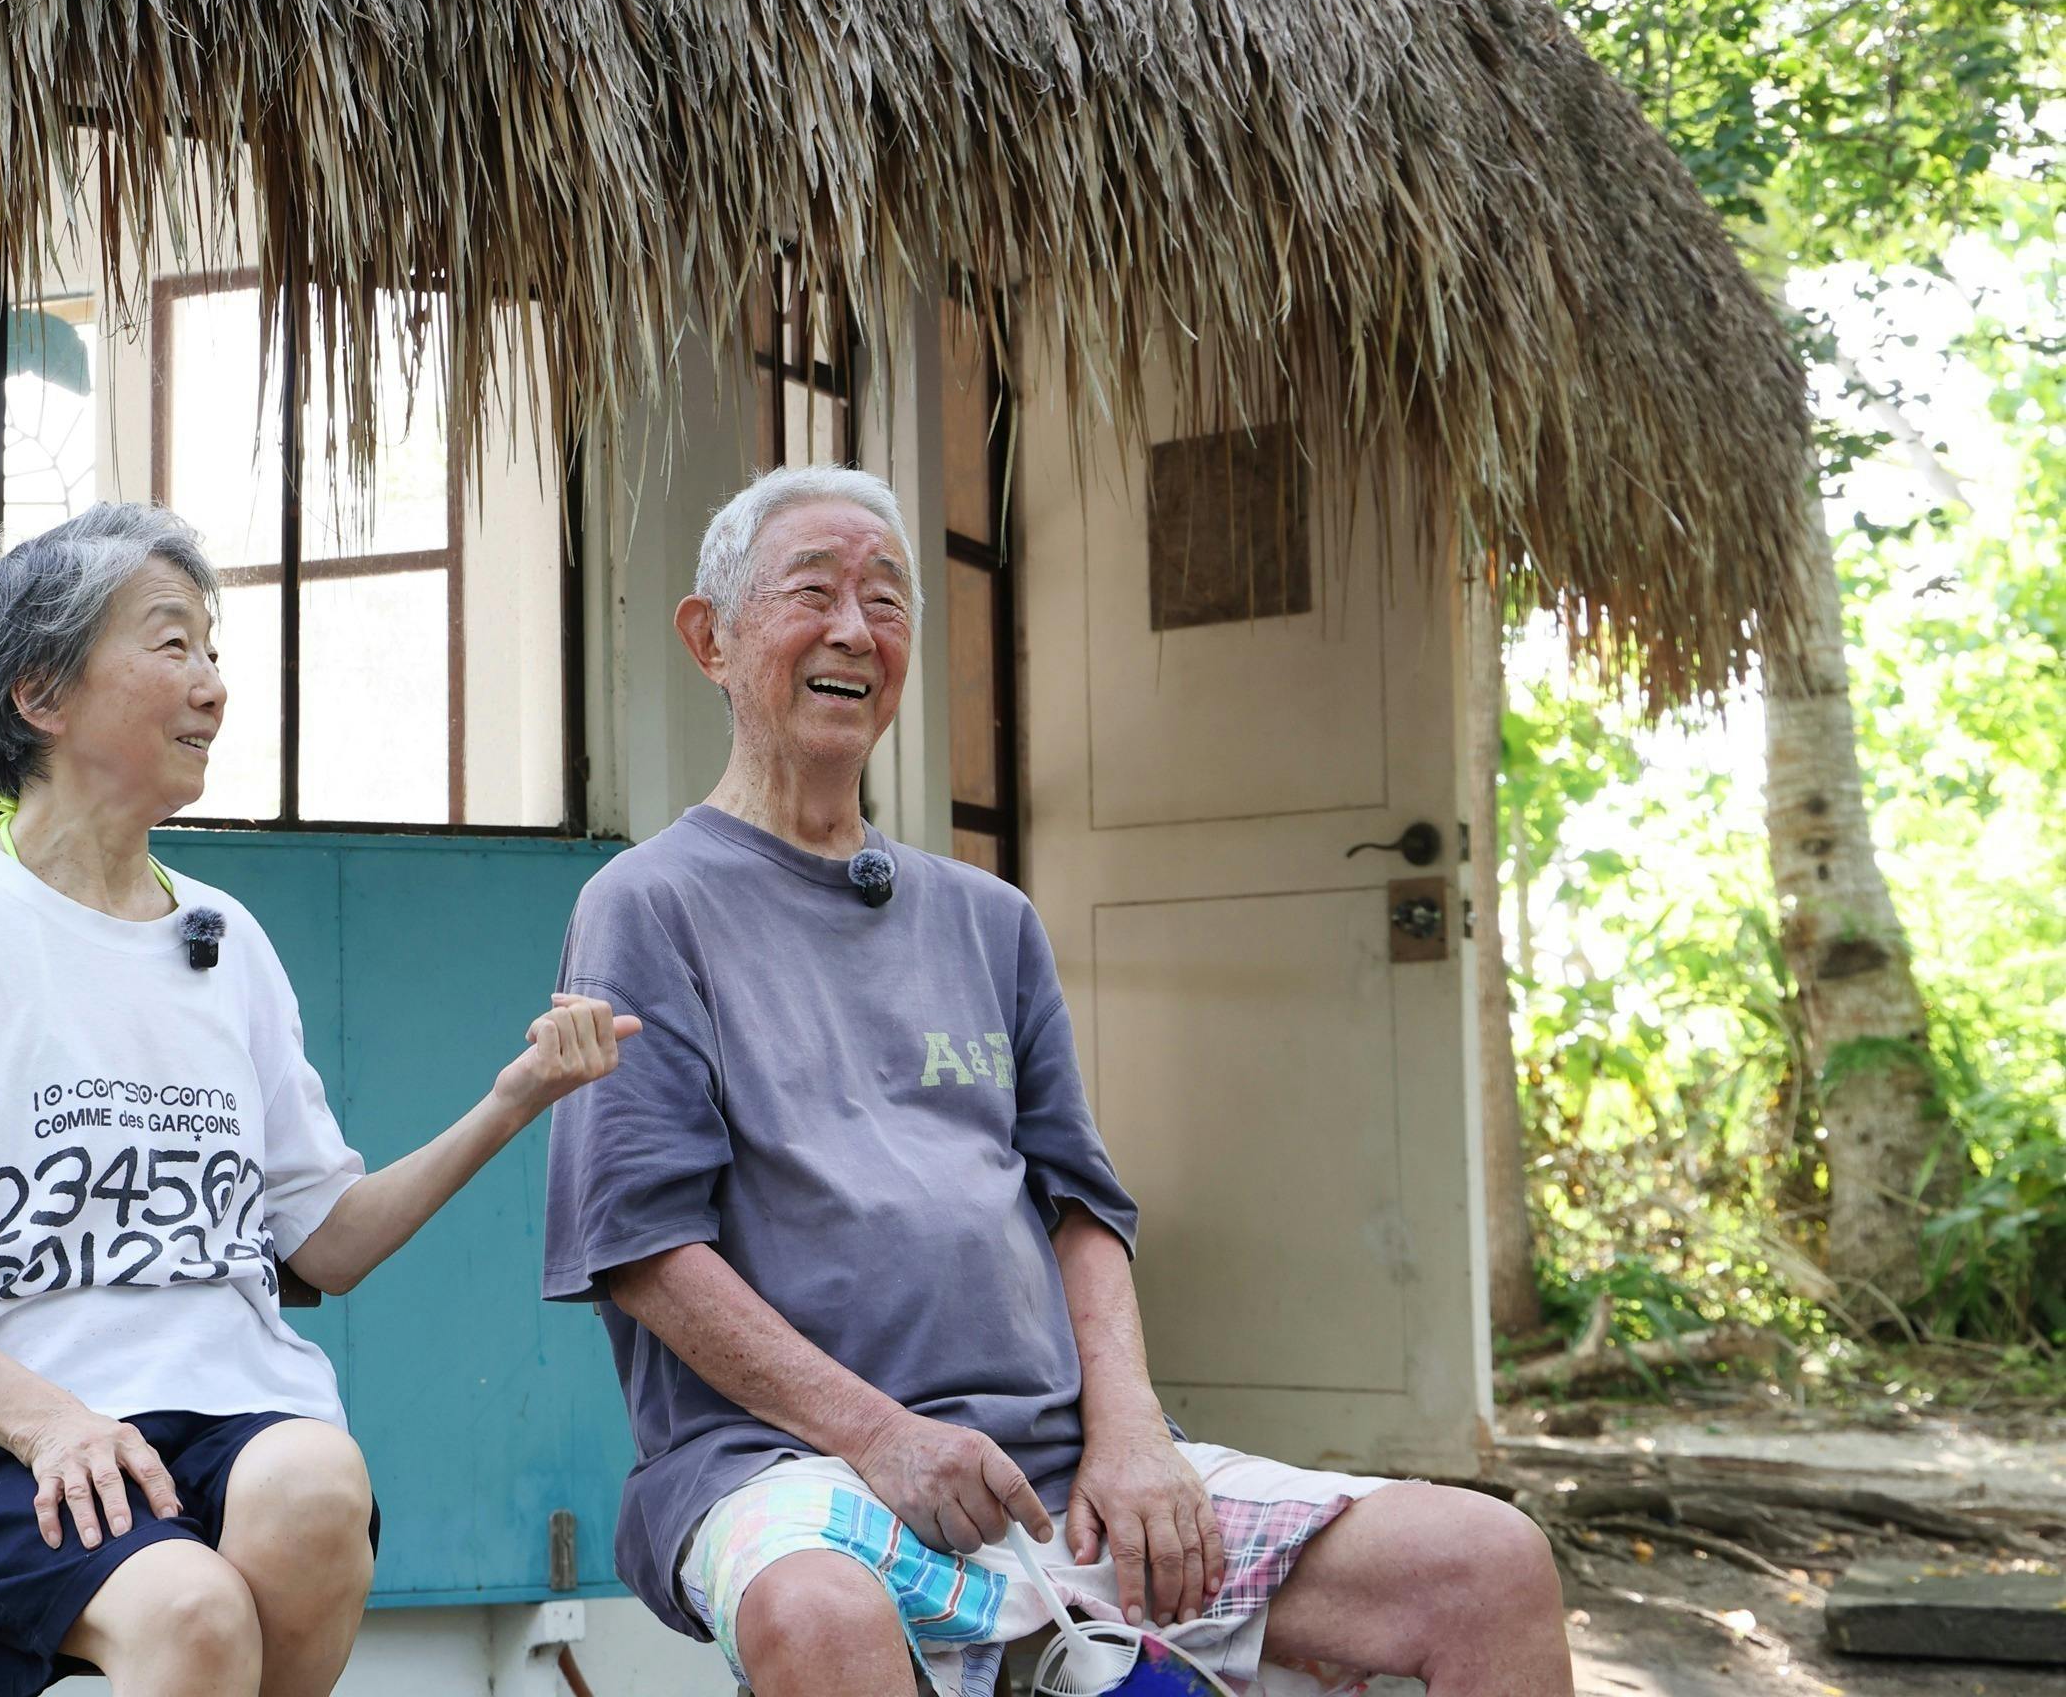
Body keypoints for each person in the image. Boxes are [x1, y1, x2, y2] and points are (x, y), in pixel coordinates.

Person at [543, 466, 1570, 1697]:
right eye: (811, 592)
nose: (855, 629)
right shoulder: (647, 904)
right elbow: (645, 1250)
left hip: (1059, 1466)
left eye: (887, 600)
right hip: (788, 1464)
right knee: (819, 1610)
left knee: (1484, 1562)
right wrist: (884, 1436)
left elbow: (1082, 1207)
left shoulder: (990, 920)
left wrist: (1130, 1431)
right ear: (710, 639)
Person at [0, 500, 635, 1697]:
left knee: (319, 1490)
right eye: (172, 642)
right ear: (41, 693)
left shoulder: (226, 937)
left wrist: (517, 1096)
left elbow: (326, 1244)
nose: (213, 685)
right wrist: (52, 1423)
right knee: (192, 1614)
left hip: (233, 1406)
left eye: (213, 648)